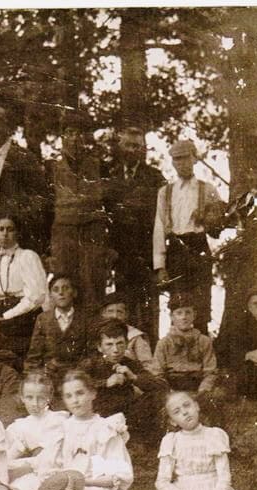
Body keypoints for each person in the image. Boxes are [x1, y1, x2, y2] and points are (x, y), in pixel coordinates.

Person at [34, 370, 148, 490]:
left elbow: (119, 474)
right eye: (69, 396)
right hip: (66, 486)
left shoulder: (105, 428)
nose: (75, 400)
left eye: (80, 393)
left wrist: (84, 482)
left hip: (97, 485)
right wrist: (60, 481)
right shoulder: (62, 429)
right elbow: (49, 466)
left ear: (93, 394)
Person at [142, 391, 253, 490]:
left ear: (197, 406)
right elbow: (162, 481)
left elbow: (224, 476)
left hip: (212, 488)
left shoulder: (214, 435)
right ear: (172, 420)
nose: (184, 412)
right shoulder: (171, 440)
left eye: (187, 406)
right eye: (177, 412)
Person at [153, 139, 226, 333]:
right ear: (172, 162)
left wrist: (213, 219)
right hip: (175, 249)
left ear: (194, 159)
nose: (181, 163)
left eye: (186, 158)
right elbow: (159, 227)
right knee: (178, 302)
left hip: (199, 247)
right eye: (177, 160)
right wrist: (160, 265)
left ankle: (201, 348)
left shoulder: (208, 189)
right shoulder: (165, 192)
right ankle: (177, 352)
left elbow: (220, 223)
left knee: (201, 303)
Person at [102, 125, 165, 341]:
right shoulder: (109, 176)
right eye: (128, 145)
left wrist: (159, 260)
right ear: (119, 146)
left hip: (147, 255)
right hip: (121, 256)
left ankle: (150, 354)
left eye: (137, 146)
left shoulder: (154, 177)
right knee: (124, 307)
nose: (132, 150)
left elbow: (162, 219)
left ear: (143, 149)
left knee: (148, 310)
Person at [48, 113, 111, 311]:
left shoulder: (99, 166)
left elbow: (111, 206)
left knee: (93, 287)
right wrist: (46, 249)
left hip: (93, 235)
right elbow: (44, 210)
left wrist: (109, 244)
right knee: (65, 288)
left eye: (80, 134)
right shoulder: (52, 168)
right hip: (64, 236)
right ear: (63, 137)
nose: (75, 138)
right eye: (70, 133)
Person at [0, 105, 48, 263]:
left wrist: (23, 217)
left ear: (9, 125)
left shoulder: (24, 157)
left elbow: (39, 195)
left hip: (14, 221)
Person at [0, 214, 48, 364]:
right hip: (2, 316)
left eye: (10, 229)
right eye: (1, 229)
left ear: (17, 233)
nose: (5, 233)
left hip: (25, 318)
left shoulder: (27, 257)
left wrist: (8, 316)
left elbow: (36, 296)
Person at [83, 320, 167, 431]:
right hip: (99, 415)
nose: (116, 350)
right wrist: (105, 383)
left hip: (127, 417)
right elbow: (76, 386)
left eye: (120, 343)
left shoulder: (130, 363)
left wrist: (133, 377)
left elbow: (160, 385)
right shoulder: (91, 364)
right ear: (99, 347)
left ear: (126, 344)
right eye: (109, 344)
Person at [5, 372, 69, 490]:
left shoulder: (58, 420)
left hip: (54, 468)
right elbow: (8, 458)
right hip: (31, 472)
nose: (35, 403)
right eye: (29, 397)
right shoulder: (18, 426)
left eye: (40, 398)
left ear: (49, 397)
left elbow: (55, 453)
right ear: (22, 397)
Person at [25, 275, 91, 385]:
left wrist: (79, 371)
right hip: (50, 378)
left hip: (78, 377)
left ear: (74, 293)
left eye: (65, 288)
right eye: (55, 290)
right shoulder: (43, 319)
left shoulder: (85, 319)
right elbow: (34, 356)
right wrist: (33, 378)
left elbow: (91, 353)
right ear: (51, 295)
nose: (61, 293)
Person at [214, 286, 257, 409]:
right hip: (247, 372)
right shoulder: (240, 326)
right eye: (256, 304)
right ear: (249, 306)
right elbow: (224, 353)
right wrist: (249, 355)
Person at [153, 293, 219, 394]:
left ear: (194, 315)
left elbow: (210, 372)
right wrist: (170, 394)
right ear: (172, 316)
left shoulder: (204, 341)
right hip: (171, 391)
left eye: (188, 312)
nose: (184, 317)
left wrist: (202, 391)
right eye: (179, 313)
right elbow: (157, 374)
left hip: (198, 390)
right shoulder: (163, 344)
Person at [96, 291, 158, 375]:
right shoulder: (97, 333)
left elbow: (148, 367)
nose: (115, 316)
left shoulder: (135, 337)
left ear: (126, 315)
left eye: (119, 312)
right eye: (110, 311)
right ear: (103, 313)